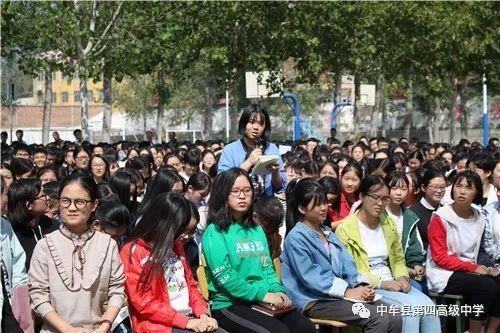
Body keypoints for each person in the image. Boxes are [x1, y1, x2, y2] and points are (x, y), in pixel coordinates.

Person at [202, 168, 315, 333]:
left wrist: (277, 290)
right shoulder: (215, 232)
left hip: (262, 301)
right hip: (230, 304)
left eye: (247, 190)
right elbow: (225, 277)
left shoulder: (256, 230)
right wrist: (262, 295)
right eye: (235, 191)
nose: (242, 196)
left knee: (306, 328)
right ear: (223, 194)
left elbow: (267, 267)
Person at [282, 178, 402, 332]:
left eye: (325, 203)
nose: (323, 208)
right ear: (302, 209)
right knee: (376, 318)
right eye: (317, 204)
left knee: (394, 316)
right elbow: (313, 278)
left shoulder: (326, 232)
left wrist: (362, 286)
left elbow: (348, 264)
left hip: (336, 296)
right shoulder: (296, 238)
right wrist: (347, 291)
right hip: (315, 300)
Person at [336, 174, 441, 333]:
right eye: (375, 197)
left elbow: (398, 258)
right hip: (368, 287)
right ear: (362, 196)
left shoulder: (388, 223)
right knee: (409, 312)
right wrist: (382, 283)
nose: (380, 203)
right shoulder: (345, 229)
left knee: (429, 308)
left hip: (393, 281)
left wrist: (402, 277)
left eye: (385, 199)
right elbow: (350, 270)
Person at [28, 173, 126, 333]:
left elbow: (117, 289)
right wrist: (67, 329)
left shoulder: (108, 244)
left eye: (80, 202)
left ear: (94, 205)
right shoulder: (45, 245)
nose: (72, 208)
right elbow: (38, 295)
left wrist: (105, 325)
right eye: (65, 201)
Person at [120, 193, 223, 333]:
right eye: (182, 230)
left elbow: (191, 285)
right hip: (159, 325)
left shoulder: (177, 246)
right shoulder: (133, 251)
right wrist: (186, 322)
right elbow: (143, 302)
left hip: (189, 318)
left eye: (191, 232)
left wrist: (203, 314)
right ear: (165, 224)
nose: (186, 236)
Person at [427, 171, 500, 333]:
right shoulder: (441, 217)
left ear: (477, 193)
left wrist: (488, 267)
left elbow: (480, 250)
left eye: (468, 188)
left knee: (498, 280)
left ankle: (491, 331)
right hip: (444, 272)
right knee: (486, 286)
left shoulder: (478, 216)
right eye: (458, 186)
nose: (462, 191)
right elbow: (440, 258)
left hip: (469, 269)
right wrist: (474, 268)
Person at [217, 104, 287, 198]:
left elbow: (280, 187)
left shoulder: (272, 149)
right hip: (238, 205)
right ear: (244, 123)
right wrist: (249, 162)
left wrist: (275, 173)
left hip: (265, 206)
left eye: (261, 124)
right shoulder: (230, 150)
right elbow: (222, 182)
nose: (256, 127)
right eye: (251, 122)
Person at [385, 171, 427, 293]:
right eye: (394, 188)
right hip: (385, 270)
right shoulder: (379, 213)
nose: (399, 193)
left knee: (422, 287)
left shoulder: (410, 217)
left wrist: (415, 264)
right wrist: (403, 269)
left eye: (403, 188)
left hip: (404, 270)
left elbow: (414, 245)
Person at [7, 179, 59, 270]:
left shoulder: (53, 226)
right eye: (42, 196)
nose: (47, 198)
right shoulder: (10, 234)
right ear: (29, 205)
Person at [410, 169, 446, 249]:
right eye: (435, 187)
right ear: (423, 187)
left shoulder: (446, 211)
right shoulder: (413, 213)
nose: (439, 191)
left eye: (442, 187)